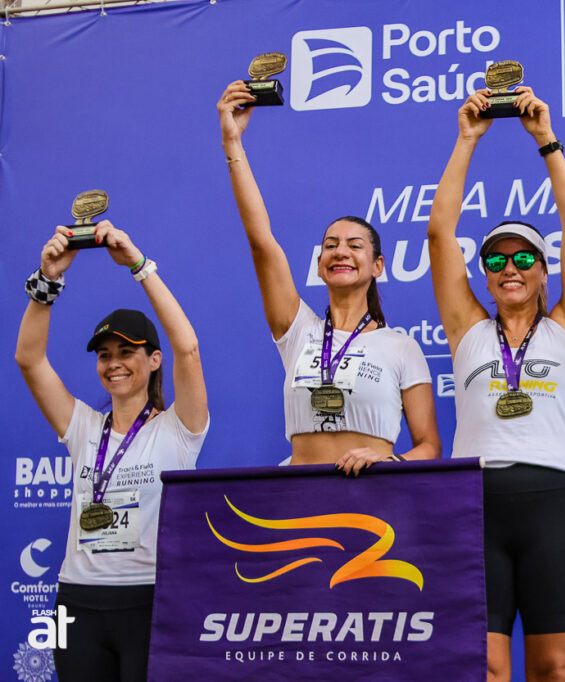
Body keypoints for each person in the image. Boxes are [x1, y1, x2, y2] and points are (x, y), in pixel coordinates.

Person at [427, 87, 565, 682]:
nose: (509, 269)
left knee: (555, 668)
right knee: (487, 670)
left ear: (544, 271)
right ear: (485, 275)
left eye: (524, 258)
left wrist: (545, 140)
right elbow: (439, 235)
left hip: (554, 500)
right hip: (474, 503)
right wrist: (467, 139)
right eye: (496, 261)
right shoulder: (467, 329)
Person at [15, 221, 209, 681]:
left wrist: (138, 266)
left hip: (149, 598)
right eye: (104, 354)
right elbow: (29, 359)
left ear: (154, 360)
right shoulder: (82, 426)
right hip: (75, 600)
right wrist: (48, 281)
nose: (114, 364)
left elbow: (188, 348)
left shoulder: (179, 427)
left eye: (127, 351)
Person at [217, 82, 441, 471]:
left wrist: (390, 460)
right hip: (298, 495)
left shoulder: (401, 347)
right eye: (331, 244)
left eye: (355, 245)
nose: (340, 251)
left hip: (372, 497)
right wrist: (232, 143)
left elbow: (429, 446)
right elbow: (261, 243)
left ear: (378, 266)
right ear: (320, 264)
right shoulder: (298, 331)